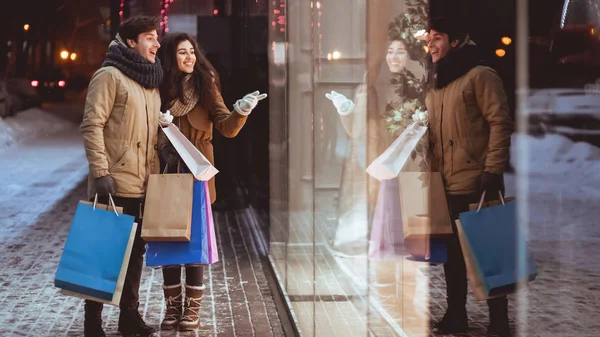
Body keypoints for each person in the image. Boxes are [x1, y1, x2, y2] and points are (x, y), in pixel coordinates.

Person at [155, 32, 266, 331]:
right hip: (167, 173)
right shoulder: (158, 88)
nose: (190, 57)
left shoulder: (206, 85)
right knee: (168, 240)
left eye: (192, 51)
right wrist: (158, 130)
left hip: (198, 175)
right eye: (182, 53)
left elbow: (227, 127)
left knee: (194, 244)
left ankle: (192, 310)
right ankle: (173, 307)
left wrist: (241, 110)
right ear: (170, 58)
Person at [424, 17, 514, 337]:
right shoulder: (437, 82)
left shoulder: (480, 75)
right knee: (452, 256)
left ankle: (499, 321)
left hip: (478, 179)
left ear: (456, 41)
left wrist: (493, 169)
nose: (430, 44)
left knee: (490, 252)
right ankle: (456, 316)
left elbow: (500, 122)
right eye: (428, 39)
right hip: (446, 181)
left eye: (437, 38)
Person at [79, 16, 163, 337]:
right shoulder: (109, 76)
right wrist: (100, 171)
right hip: (114, 182)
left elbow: (150, 130)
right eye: (150, 38)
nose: (157, 44)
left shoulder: (150, 82)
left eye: (157, 38)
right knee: (105, 251)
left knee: (136, 252)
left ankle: (129, 317)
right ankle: (93, 322)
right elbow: (92, 125)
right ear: (131, 42)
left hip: (144, 182)